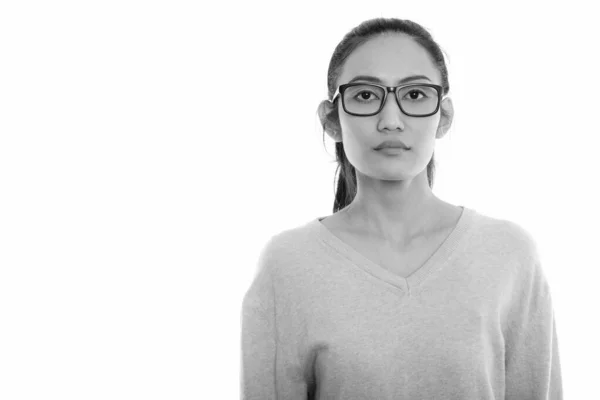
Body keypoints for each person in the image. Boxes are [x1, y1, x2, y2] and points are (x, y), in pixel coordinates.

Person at [240, 17, 563, 399]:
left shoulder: (510, 254)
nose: (390, 121)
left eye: (414, 95)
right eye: (365, 96)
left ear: (443, 116)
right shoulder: (287, 264)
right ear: (332, 120)